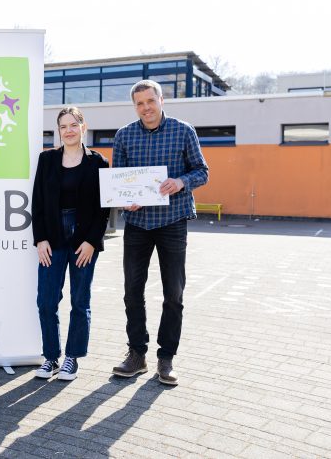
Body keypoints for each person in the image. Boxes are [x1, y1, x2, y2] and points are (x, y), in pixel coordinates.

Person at [111, 79, 208, 386]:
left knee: (174, 294)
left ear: (161, 100)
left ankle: (165, 358)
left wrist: (181, 181)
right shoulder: (124, 136)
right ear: (134, 106)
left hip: (172, 221)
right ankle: (136, 354)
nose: (146, 108)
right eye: (139, 103)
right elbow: (118, 180)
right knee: (132, 292)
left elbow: (201, 171)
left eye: (150, 101)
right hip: (138, 224)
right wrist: (127, 200)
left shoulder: (184, 131)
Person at [31, 106, 110, 381]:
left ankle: (72, 358)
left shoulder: (98, 162)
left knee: (80, 300)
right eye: (63, 126)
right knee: (46, 300)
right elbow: (37, 202)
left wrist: (91, 241)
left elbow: (104, 209)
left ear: (83, 127)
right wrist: (40, 239)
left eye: (73, 125)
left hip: (83, 240)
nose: (68, 131)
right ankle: (50, 357)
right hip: (52, 237)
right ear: (59, 130)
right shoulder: (47, 160)